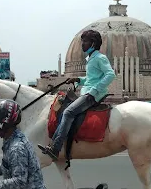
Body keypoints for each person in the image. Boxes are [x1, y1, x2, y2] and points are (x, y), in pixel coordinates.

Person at [41, 29, 116, 160]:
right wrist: (78, 80)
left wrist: (95, 90)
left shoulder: (100, 58)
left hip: (92, 95)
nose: (82, 44)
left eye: (85, 41)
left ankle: (56, 148)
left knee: (68, 112)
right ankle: (53, 144)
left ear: (93, 43)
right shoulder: (91, 59)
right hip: (86, 92)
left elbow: (110, 74)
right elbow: (91, 78)